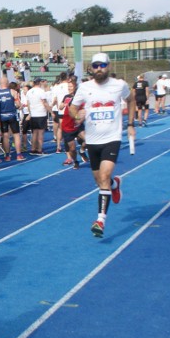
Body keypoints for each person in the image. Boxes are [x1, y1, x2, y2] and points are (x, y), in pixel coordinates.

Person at [69, 53, 132, 238]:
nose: (99, 69)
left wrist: (130, 125)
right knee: (100, 181)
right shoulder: (84, 87)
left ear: (108, 66)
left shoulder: (119, 85)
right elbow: (73, 107)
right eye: (95, 65)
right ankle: (115, 184)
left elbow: (131, 99)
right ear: (91, 67)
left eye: (102, 65)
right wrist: (76, 115)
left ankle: (100, 221)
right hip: (92, 140)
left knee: (104, 176)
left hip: (112, 138)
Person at [0, 76, 23, 161]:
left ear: (0, 84)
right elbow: (18, 105)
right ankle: (18, 155)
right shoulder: (13, 92)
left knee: (5, 136)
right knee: (16, 135)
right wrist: (18, 106)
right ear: (7, 83)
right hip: (12, 115)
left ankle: (7, 156)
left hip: (2, 116)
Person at [26, 78, 50, 155]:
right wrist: (51, 111)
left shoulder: (29, 92)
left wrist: (30, 113)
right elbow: (44, 103)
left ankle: (33, 149)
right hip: (41, 114)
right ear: (39, 83)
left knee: (34, 132)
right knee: (40, 133)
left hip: (33, 114)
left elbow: (28, 104)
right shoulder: (41, 91)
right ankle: (39, 149)